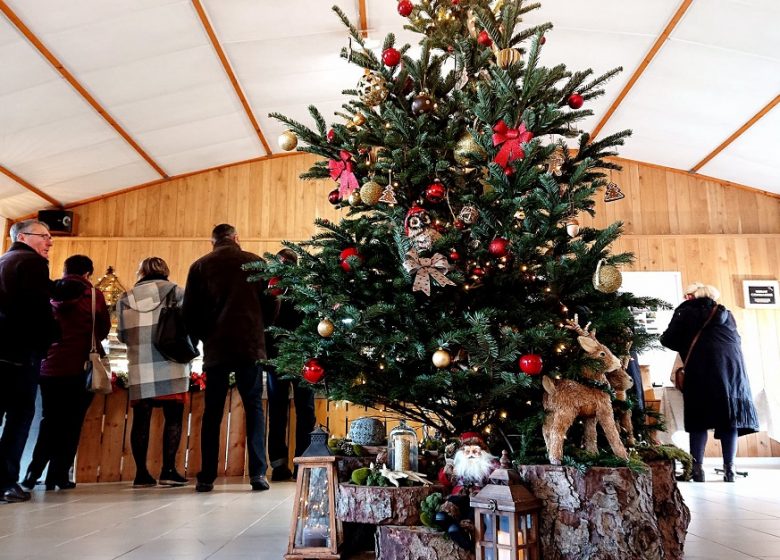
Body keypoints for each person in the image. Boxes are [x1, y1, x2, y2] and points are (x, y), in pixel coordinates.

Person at [183, 224, 277, 493]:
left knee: (212, 412)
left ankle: (206, 476)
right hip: (250, 346)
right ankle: (258, 473)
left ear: (212, 241)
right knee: (254, 409)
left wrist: (206, 336)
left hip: (217, 349)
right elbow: (273, 304)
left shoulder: (200, 267)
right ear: (236, 238)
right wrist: (260, 329)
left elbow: (189, 312)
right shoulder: (257, 263)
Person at [22, 255, 110, 491]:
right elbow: (102, 330)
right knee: (72, 423)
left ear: (64, 270)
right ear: (87, 274)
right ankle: (58, 475)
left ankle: (32, 472)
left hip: (48, 366)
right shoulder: (93, 296)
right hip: (80, 367)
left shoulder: (48, 293)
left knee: (49, 420)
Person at [660, 282, 759, 482]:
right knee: (728, 420)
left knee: (698, 421)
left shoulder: (686, 312)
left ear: (690, 297)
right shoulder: (726, 314)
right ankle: (729, 470)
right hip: (732, 372)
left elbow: (668, 340)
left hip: (701, 370)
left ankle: (697, 470)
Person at [117, 257, 190, 487]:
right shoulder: (177, 293)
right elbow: (187, 326)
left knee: (141, 419)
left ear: (141, 272)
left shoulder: (125, 298)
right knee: (173, 417)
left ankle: (141, 474)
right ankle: (168, 470)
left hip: (139, 364)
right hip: (171, 362)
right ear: (165, 271)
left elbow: (121, 335)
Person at [0, 219, 58, 503]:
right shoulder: (32, 263)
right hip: (20, 354)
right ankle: (6, 481)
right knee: (19, 419)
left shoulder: (3, 260)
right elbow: (37, 310)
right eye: (44, 236)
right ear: (22, 236)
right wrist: (52, 336)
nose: (49, 241)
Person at [265, 249, 315, 481]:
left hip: (279, 357)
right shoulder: (304, 289)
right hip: (302, 357)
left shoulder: (270, 289)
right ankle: (299, 465)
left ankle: (280, 465)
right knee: (304, 411)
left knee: (278, 411)